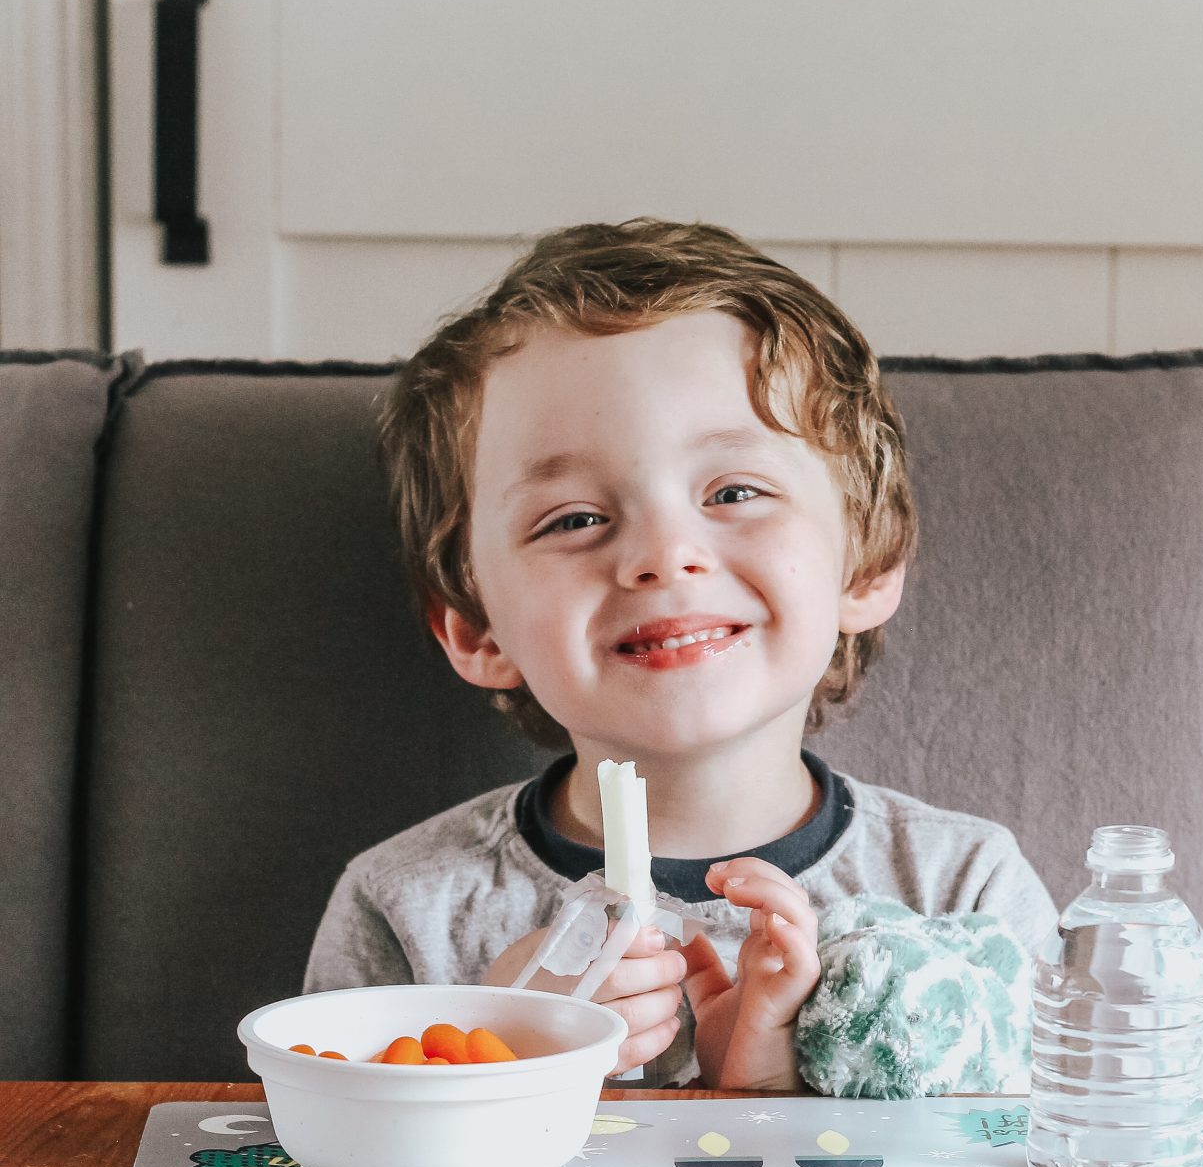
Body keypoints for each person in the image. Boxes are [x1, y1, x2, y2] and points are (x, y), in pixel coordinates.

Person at [304, 218, 1057, 1090]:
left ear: (868, 561)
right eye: (575, 519)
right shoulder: (405, 906)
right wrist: (484, 1052)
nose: (663, 554)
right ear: (477, 630)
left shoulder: (963, 892)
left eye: (734, 492)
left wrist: (777, 1093)